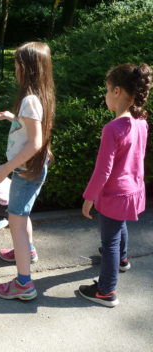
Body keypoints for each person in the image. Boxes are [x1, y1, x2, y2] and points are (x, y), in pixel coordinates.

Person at [79, 63, 152, 308]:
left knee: (109, 241)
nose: (106, 95)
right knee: (120, 227)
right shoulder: (141, 121)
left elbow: (103, 171)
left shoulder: (112, 129)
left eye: (107, 90)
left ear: (118, 91)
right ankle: (122, 259)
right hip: (133, 190)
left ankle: (106, 291)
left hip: (114, 194)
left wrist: (89, 198)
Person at [0, 42, 56, 301]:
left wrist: (5, 168)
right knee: (21, 215)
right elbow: (32, 128)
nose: (15, 69)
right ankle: (27, 251)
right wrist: (12, 117)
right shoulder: (40, 96)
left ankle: (23, 284)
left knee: (15, 222)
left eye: (17, 64)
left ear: (26, 68)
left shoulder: (29, 100)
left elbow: (35, 142)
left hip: (25, 172)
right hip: (33, 170)